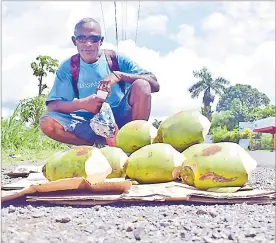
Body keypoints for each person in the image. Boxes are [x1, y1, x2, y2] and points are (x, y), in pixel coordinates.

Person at [39, 17, 160, 147]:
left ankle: (135, 142)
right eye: (82, 39)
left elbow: (154, 83)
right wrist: (83, 104)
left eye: (93, 39)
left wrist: (119, 75)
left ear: (101, 41)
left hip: (123, 118)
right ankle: (94, 147)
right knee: (47, 123)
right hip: (89, 121)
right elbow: (53, 106)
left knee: (142, 85)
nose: (88, 44)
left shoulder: (115, 59)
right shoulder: (68, 67)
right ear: (74, 41)